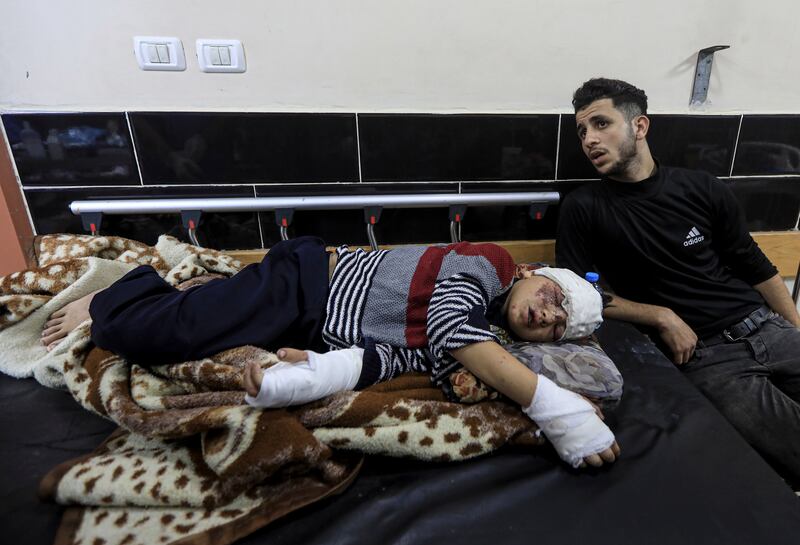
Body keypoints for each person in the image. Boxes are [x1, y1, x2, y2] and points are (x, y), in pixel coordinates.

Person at [41, 237, 619, 469]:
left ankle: (188, 294)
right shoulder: (488, 265)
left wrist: (317, 370)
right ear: (532, 273)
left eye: (555, 326)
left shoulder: (477, 341)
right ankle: (117, 291)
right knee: (145, 335)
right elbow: (447, 324)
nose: (546, 315)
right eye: (551, 297)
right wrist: (554, 405)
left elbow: (390, 360)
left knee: (205, 324)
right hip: (304, 282)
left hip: (310, 326)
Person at [556, 77, 800, 485]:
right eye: (582, 131)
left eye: (601, 123)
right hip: (706, 358)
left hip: (765, 326)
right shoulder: (585, 208)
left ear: (640, 126)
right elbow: (581, 294)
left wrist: (793, 330)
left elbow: (754, 264)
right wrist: (660, 315)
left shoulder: (700, 187)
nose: (589, 140)